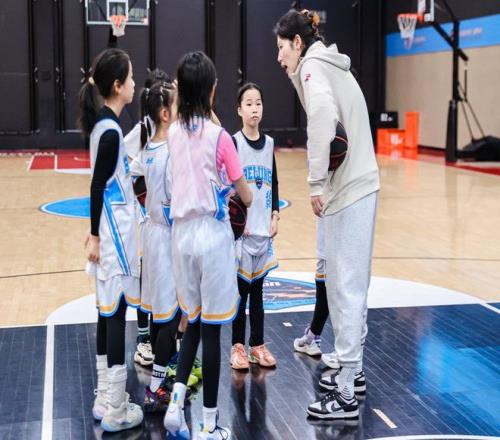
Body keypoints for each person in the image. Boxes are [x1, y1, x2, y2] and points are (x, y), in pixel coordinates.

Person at [275, 9, 379, 419]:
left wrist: (316, 182)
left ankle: (347, 394)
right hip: (360, 185)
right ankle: (354, 373)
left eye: (282, 48)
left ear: (297, 43)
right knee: (349, 284)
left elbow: (321, 120)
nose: (279, 57)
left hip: (350, 190)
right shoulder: (327, 64)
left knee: (344, 287)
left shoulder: (313, 67)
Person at [164, 51, 252, 440]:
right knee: (213, 331)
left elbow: (185, 125)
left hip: (180, 238)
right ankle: (211, 424)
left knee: (193, 324)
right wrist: (245, 196)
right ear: (213, 91)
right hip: (212, 238)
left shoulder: (171, 133)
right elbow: (245, 194)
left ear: (180, 91)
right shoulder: (221, 138)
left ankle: (175, 405)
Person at [79, 48, 143, 432]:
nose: (134, 84)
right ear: (117, 86)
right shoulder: (111, 132)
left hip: (109, 232)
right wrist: (93, 236)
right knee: (116, 314)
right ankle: (118, 408)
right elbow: (97, 186)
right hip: (113, 237)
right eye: (130, 78)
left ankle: (105, 396)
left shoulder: (104, 125)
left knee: (106, 313)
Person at [129, 81, 182, 413]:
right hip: (167, 238)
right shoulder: (170, 152)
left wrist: (148, 205)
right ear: (165, 114)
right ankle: (156, 386)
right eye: (175, 105)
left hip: (152, 236)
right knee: (168, 317)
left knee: (163, 315)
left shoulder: (147, 147)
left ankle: (166, 374)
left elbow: (134, 177)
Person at [230, 82, 279, 370]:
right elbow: (227, 185)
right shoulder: (234, 143)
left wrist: (275, 215)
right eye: (248, 104)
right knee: (241, 294)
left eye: (258, 103)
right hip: (243, 235)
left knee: (259, 294)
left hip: (263, 231)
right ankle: (237, 346)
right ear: (239, 110)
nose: (254, 108)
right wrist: (236, 222)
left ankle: (257, 345)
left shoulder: (269, 143)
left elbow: (275, 181)